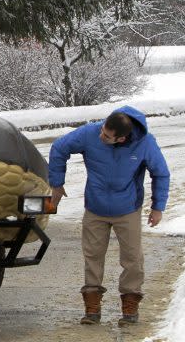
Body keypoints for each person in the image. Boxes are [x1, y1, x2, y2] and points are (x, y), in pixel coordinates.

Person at [49, 106, 170, 326]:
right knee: (92, 257)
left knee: (132, 260)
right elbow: (59, 147)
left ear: (122, 139)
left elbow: (161, 173)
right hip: (95, 208)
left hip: (128, 209)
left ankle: (130, 309)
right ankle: (92, 310)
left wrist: (157, 207)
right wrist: (57, 184)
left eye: (106, 135)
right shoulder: (90, 133)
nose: (100, 136)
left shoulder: (145, 143)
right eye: (102, 130)